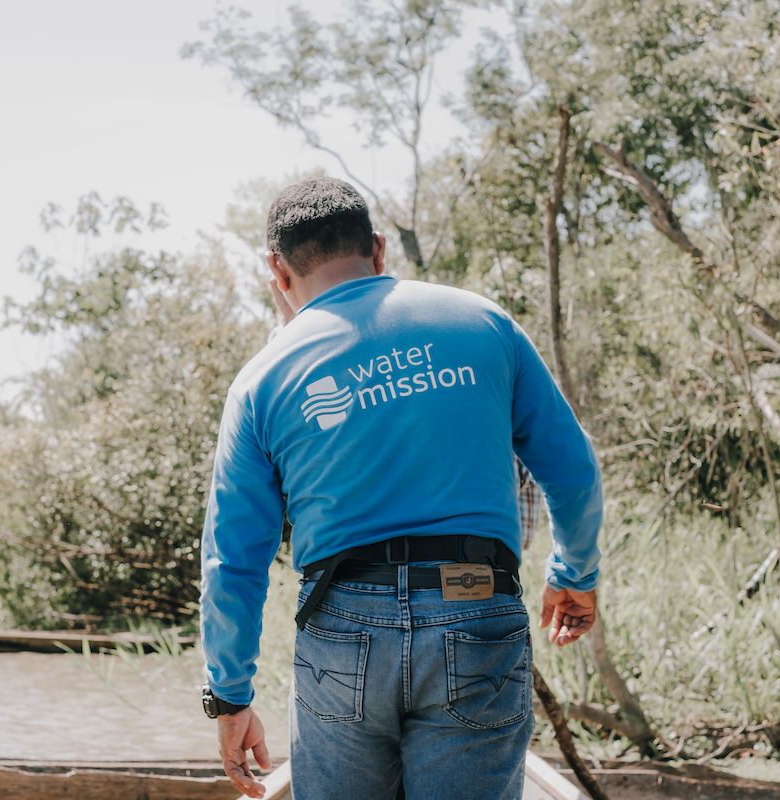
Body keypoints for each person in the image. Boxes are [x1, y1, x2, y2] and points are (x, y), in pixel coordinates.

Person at [199, 177, 602, 800]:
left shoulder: (263, 379)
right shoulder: (484, 323)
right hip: (475, 603)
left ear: (278, 272)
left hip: (342, 625)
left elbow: (233, 560)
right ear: (379, 250)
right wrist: (574, 573)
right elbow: (572, 470)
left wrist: (229, 694)